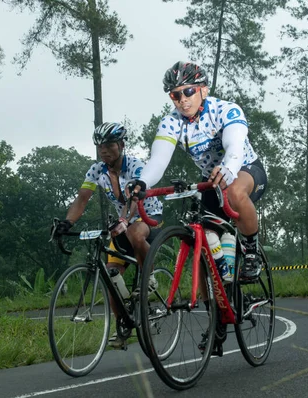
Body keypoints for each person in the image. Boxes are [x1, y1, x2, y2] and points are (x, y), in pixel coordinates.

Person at [128, 61, 268, 355]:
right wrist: (141, 182)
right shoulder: (171, 123)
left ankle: (251, 248)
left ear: (203, 89)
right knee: (203, 254)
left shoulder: (226, 110)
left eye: (188, 91)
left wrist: (229, 169)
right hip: (210, 180)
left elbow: (234, 147)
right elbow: (158, 161)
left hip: (243, 168)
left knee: (233, 193)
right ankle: (217, 316)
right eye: (175, 95)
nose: (182, 99)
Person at [52, 122, 163, 349]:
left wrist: (125, 219)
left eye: (109, 145)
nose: (104, 151)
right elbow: (81, 199)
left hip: (147, 216)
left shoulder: (134, 165)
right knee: (111, 275)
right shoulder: (96, 170)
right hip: (122, 223)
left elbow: (135, 199)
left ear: (121, 145)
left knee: (134, 232)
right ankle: (123, 324)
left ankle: (149, 276)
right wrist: (67, 222)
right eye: (100, 146)